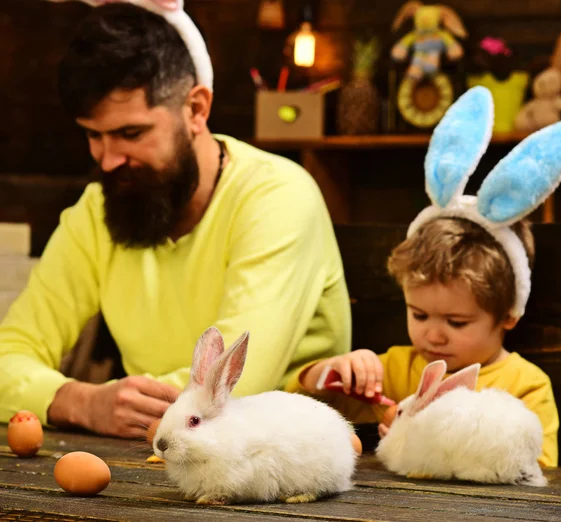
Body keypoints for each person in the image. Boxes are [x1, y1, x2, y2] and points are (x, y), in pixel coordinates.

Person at [0, 3, 351, 439]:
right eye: (93, 134)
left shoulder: (278, 197)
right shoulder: (97, 208)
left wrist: (97, 402)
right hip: (156, 459)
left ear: (196, 109)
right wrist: (81, 401)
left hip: (279, 476)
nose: (108, 161)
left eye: (131, 134)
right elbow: (8, 354)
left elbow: (228, 388)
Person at [285, 87, 561, 468]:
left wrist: (424, 435)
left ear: (508, 313)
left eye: (457, 322)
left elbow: (538, 469)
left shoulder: (525, 385)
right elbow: (309, 403)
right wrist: (328, 373)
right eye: (420, 315)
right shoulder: (400, 368)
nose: (434, 334)